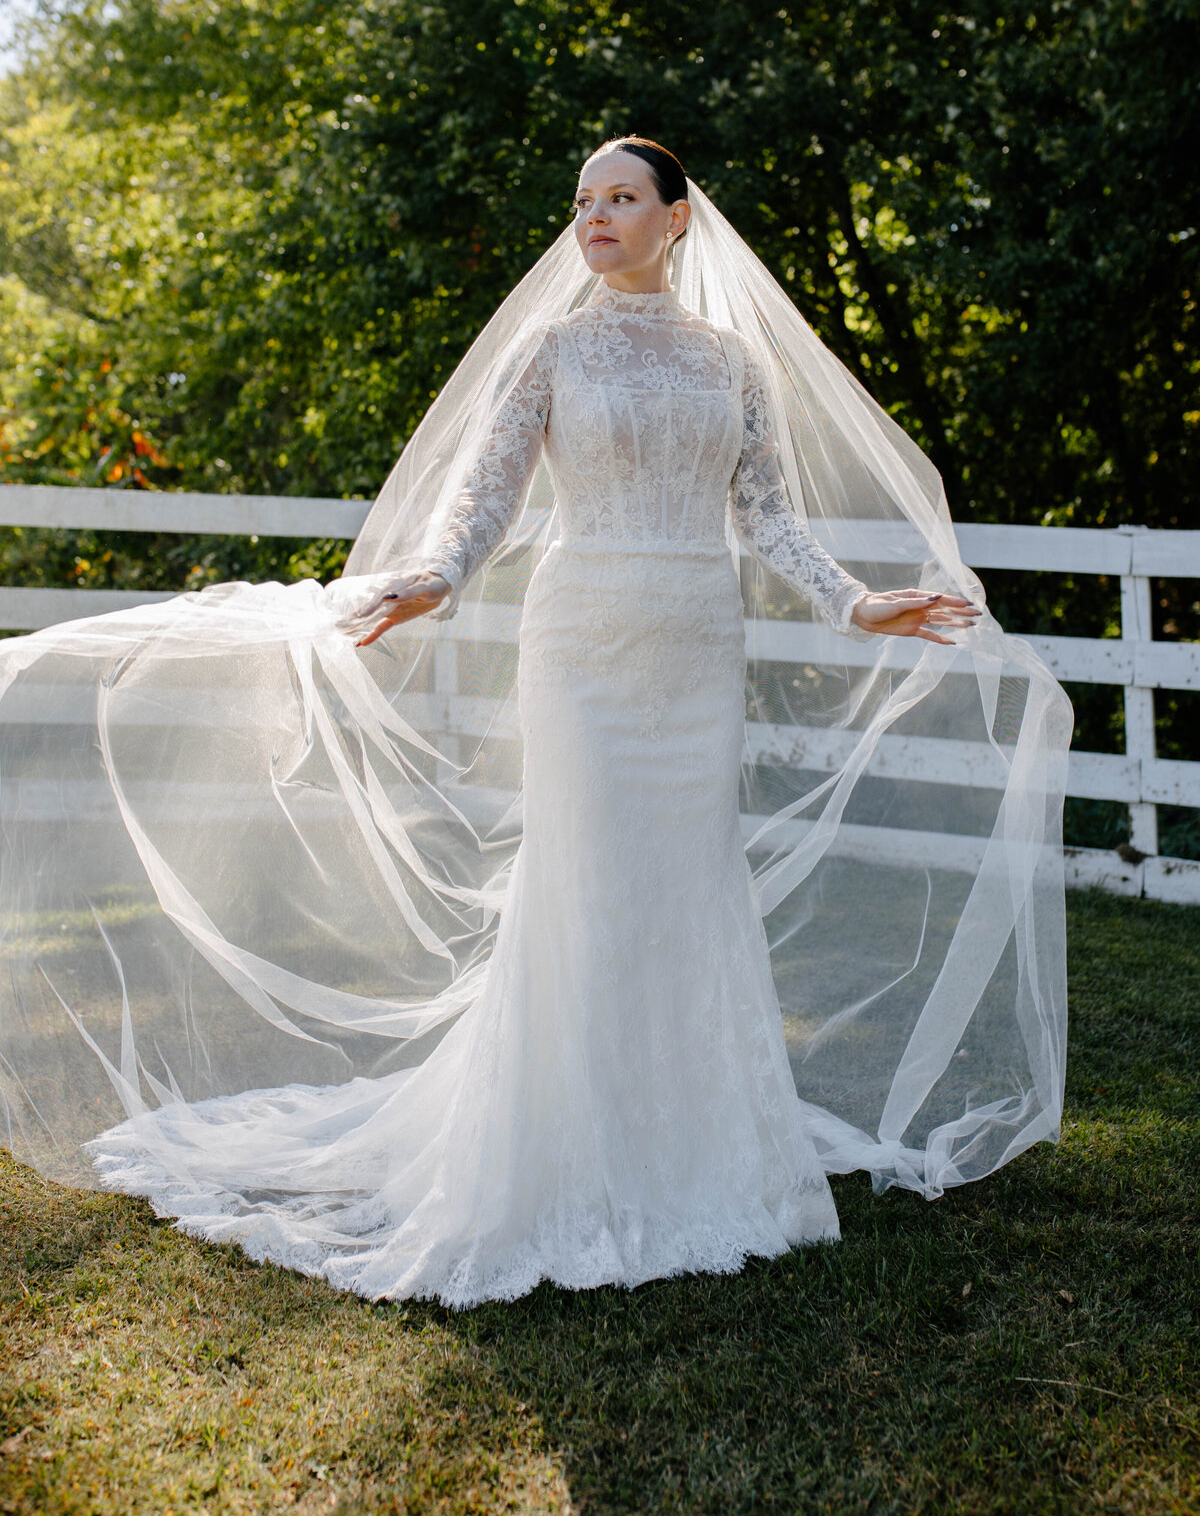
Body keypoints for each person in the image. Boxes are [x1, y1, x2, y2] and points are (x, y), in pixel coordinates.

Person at [0, 139, 1070, 1310]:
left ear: (676, 218)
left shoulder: (733, 361)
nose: (596, 217)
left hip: (694, 644)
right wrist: (435, 577)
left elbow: (769, 517)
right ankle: (559, 1146)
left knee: (688, 878)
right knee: (589, 874)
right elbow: (488, 498)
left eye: (622, 198)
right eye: (583, 202)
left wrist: (855, 603)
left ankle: (697, 1142)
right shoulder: (552, 349)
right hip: (582, 644)